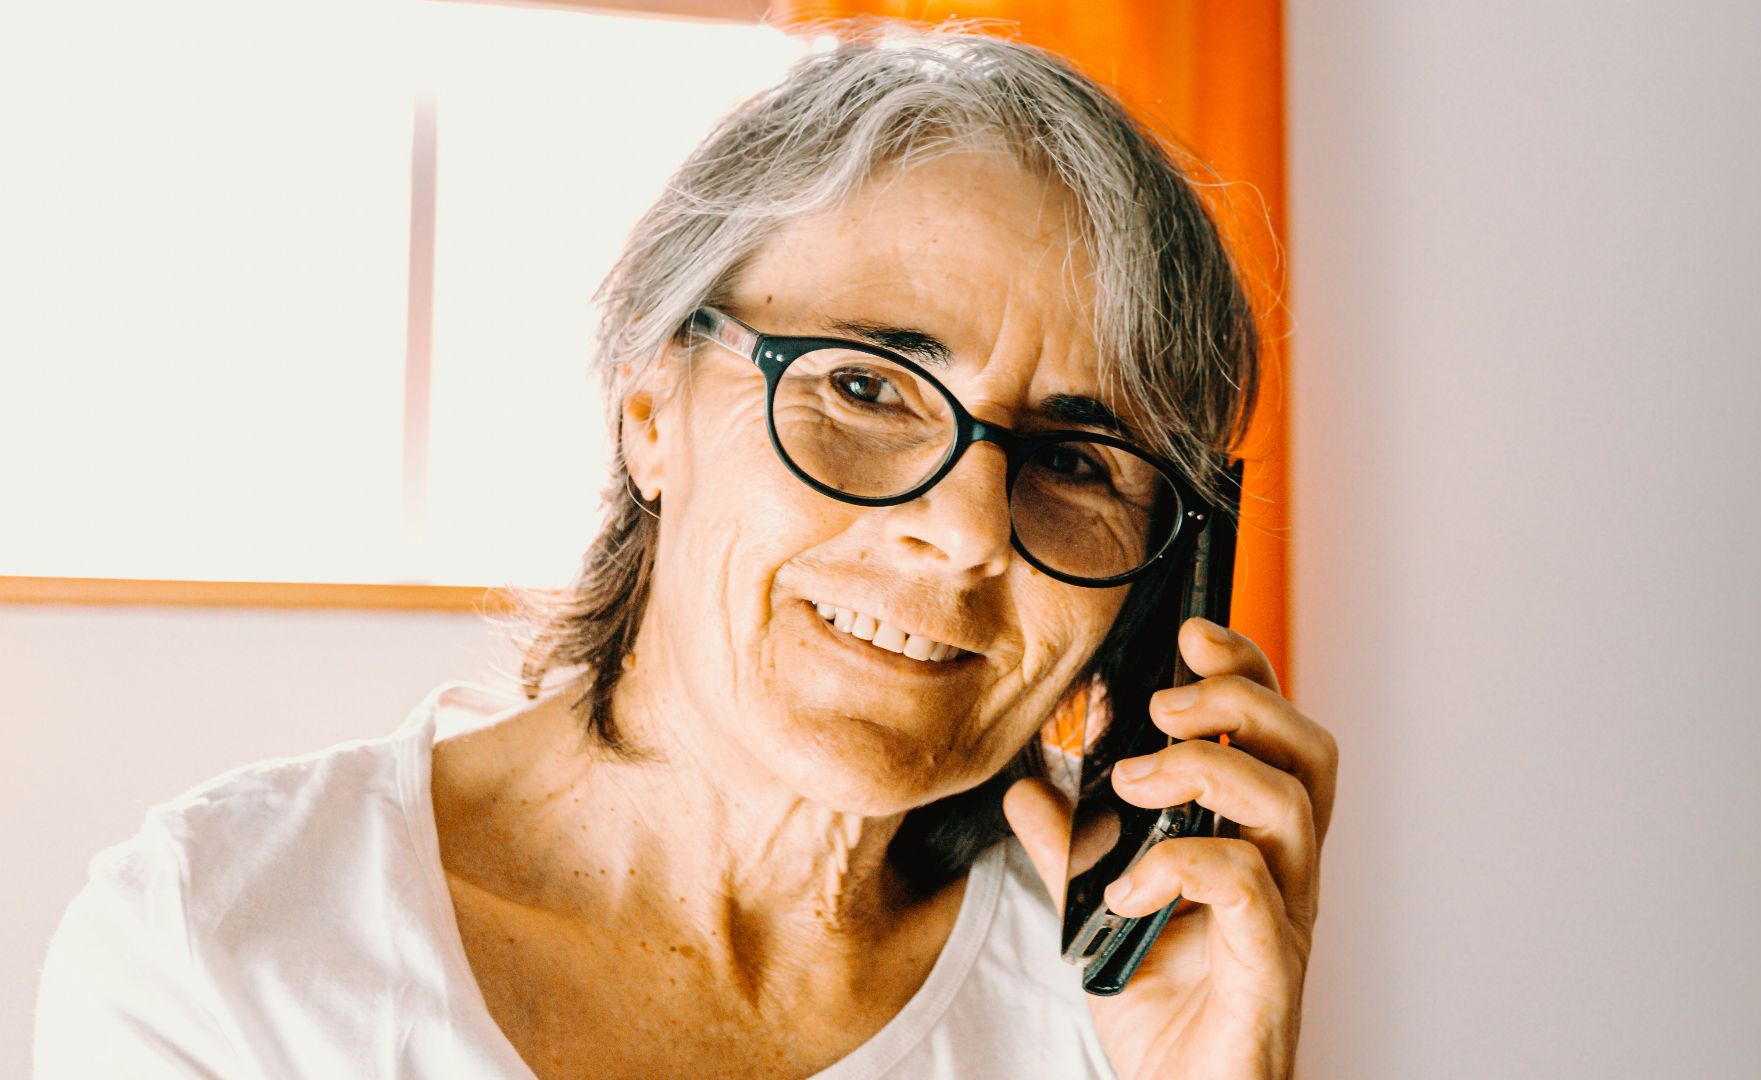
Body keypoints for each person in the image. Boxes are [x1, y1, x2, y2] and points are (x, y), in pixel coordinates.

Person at [35, 23, 1338, 1080]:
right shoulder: (222, 942)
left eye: (1078, 462)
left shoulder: (1114, 1012)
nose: (966, 533)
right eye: (869, 388)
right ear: (651, 406)